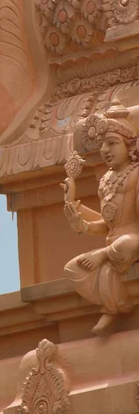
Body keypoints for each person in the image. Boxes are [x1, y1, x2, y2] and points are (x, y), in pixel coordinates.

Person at [63, 104, 139, 334]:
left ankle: (110, 303)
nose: (105, 149)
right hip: (114, 244)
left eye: (113, 143)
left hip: (131, 242)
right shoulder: (105, 180)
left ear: (130, 146)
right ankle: (115, 304)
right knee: (72, 269)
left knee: (127, 244)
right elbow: (107, 225)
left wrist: (103, 253)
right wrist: (83, 225)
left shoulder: (136, 174)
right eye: (103, 144)